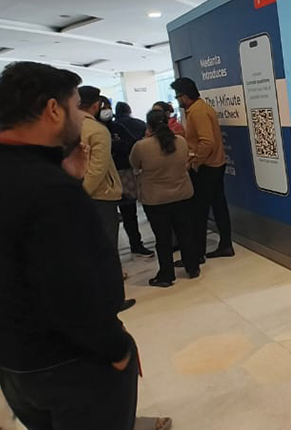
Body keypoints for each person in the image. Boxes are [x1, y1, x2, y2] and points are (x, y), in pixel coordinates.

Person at [0, 62, 141, 430]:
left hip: (13, 359)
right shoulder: (51, 191)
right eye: (75, 107)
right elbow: (71, 293)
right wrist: (117, 349)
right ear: (53, 109)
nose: (80, 117)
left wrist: (63, 174)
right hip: (72, 365)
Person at [130, 109, 201, 286]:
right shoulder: (181, 141)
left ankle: (166, 275)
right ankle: (192, 267)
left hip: (155, 199)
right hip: (182, 194)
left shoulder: (142, 146)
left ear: (149, 126)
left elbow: (134, 164)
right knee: (185, 233)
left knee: (163, 239)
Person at [171, 77, 234, 260]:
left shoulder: (197, 112)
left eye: (177, 96)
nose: (177, 100)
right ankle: (225, 245)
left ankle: (196, 255)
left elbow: (207, 142)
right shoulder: (199, 108)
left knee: (198, 212)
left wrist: (196, 162)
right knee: (218, 206)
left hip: (207, 167)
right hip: (215, 164)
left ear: (185, 95)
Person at [100, 99, 154, 259]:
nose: (106, 111)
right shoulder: (93, 129)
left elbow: (130, 144)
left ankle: (136, 244)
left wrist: (113, 147)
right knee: (107, 217)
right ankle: (109, 254)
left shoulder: (117, 127)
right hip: (103, 176)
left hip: (123, 173)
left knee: (129, 212)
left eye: (108, 107)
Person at [78, 86, 124, 250]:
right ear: (96, 105)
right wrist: (83, 193)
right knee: (107, 244)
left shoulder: (66, 127)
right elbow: (98, 168)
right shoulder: (96, 130)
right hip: (101, 194)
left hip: (75, 192)